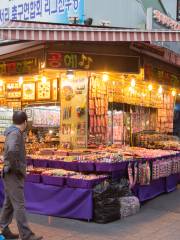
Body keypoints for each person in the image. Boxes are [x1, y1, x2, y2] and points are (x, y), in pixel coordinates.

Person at [0, 111, 43, 240]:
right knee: (19, 204)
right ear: (24, 122)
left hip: (10, 173)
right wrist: (17, 168)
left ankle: (4, 228)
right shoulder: (15, 133)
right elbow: (12, 151)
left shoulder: (12, 132)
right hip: (13, 174)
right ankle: (26, 235)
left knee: (9, 203)